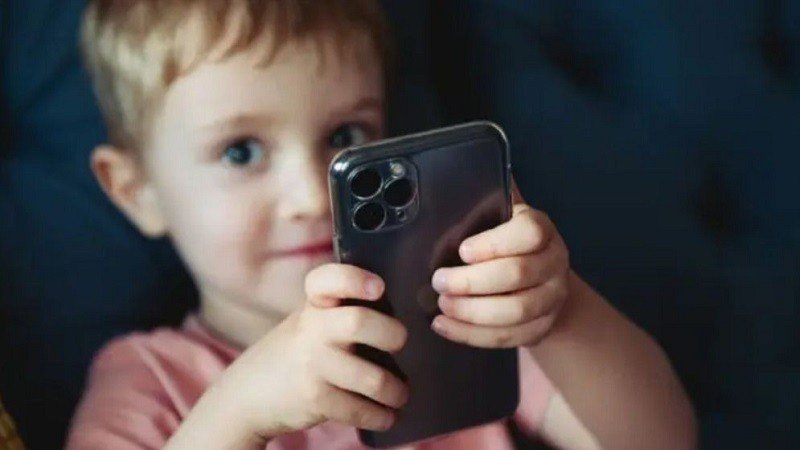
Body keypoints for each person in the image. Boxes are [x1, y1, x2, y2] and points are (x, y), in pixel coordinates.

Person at [66, 1, 695, 448]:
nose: (312, 195)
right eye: (241, 152)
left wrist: (559, 313)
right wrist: (240, 412)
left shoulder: (452, 312)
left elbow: (662, 440)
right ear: (136, 192)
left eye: (346, 136)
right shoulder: (148, 379)